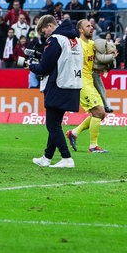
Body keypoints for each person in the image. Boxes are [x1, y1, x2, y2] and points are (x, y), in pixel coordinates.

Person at [28, 15, 82, 168]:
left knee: (52, 124)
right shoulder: (74, 39)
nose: (44, 35)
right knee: (55, 123)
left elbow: (45, 67)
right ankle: (47, 157)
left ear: (51, 25)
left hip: (58, 84)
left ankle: (66, 158)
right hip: (73, 84)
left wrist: (29, 65)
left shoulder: (55, 39)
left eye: (44, 31)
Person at [65, 20, 111, 154]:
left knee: (100, 114)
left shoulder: (92, 44)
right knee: (99, 112)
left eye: (92, 26)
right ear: (80, 30)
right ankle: (93, 146)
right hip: (80, 82)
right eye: (88, 26)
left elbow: (100, 58)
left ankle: (74, 132)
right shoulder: (76, 44)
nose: (91, 28)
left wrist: (111, 55)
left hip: (90, 81)